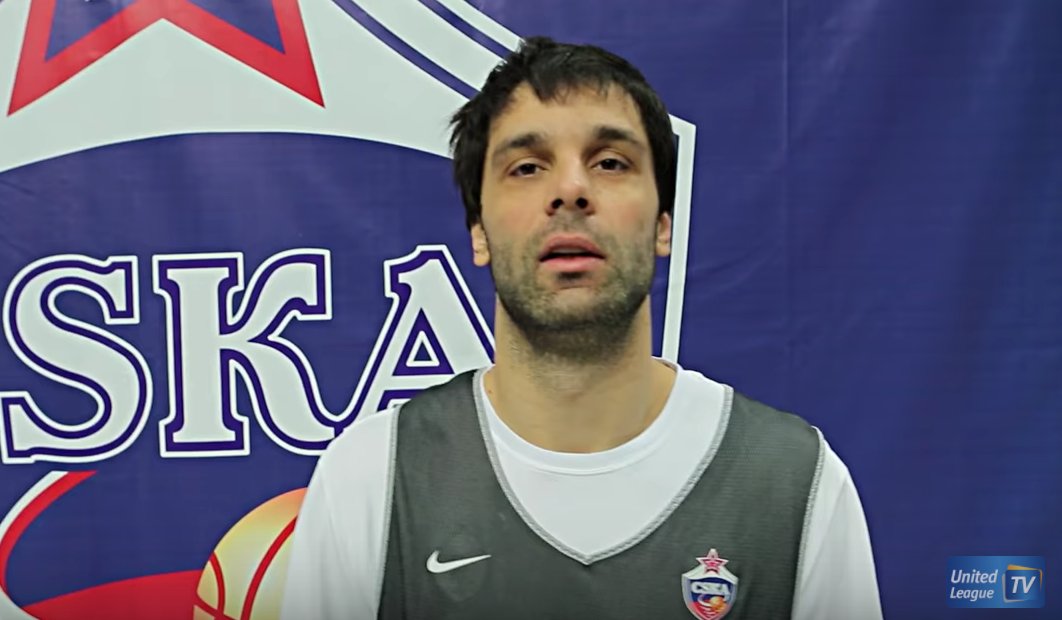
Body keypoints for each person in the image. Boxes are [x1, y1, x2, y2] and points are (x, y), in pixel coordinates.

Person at [281, 37, 882, 619]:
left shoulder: (795, 483)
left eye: (610, 163)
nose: (570, 190)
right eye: (527, 167)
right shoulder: (371, 478)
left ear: (663, 225)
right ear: (479, 233)